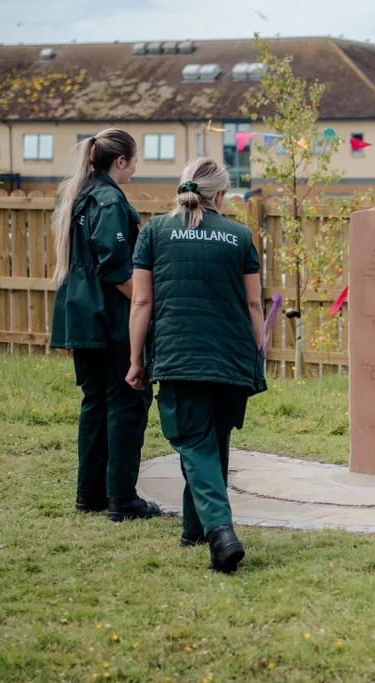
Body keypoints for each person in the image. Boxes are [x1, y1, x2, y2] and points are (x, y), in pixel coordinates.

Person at [126, 158, 266, 574]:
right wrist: (259, 353)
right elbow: (254, 304)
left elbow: (142, 302)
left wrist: (136, 359)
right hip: (230, 355)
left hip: (178, 355)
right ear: (221, 195)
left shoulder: (154, 232)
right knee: (211, 441)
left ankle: (220, 532)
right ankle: (193, 529)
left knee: (196, 442)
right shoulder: (240, 236)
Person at [50, 128, 160, 523]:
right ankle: (122, 499)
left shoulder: (79, 194)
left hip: (80, 313)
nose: (136, 166)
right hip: (108, 316)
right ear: (120, 162)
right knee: (126, 403)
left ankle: (90, 494)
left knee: (94, 403)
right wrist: (149, 305)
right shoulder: (110, 199)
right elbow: (115, 267)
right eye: (135, 159)